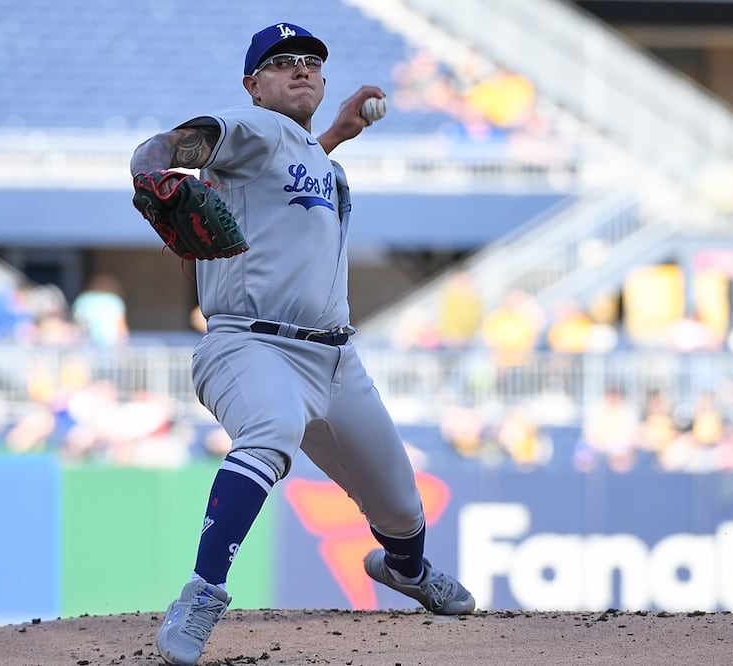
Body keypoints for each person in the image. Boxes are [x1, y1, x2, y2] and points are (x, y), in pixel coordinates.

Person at [129, 22, 475, 666]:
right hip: (249, 344)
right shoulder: (251, 127)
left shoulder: (309, 152)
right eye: (282, 62)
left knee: (401, 507)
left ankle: (406, 570)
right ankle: (203, 592)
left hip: (336, 360)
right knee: (271, 430)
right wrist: (151, 174)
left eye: (312, 62)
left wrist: (338, 134)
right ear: (252, 84)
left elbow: (288, 174)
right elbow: (169, 145)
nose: (302, 70)